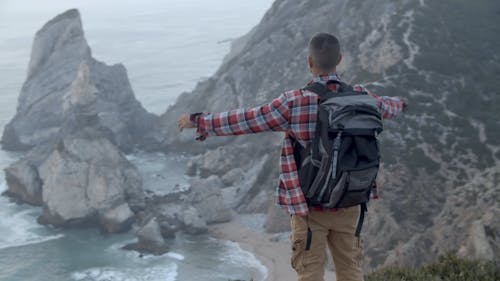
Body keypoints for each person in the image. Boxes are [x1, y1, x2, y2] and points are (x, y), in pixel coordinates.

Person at [178, 33, 406, 281]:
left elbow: (247, 120)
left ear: (309, 62)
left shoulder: (296, 101)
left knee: (310, 275)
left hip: (308, 207)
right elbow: (390, 107)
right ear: (340, 59)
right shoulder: (363, 96)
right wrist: (402, 103)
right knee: (351, 272)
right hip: (350, 200)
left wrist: (200, 121)